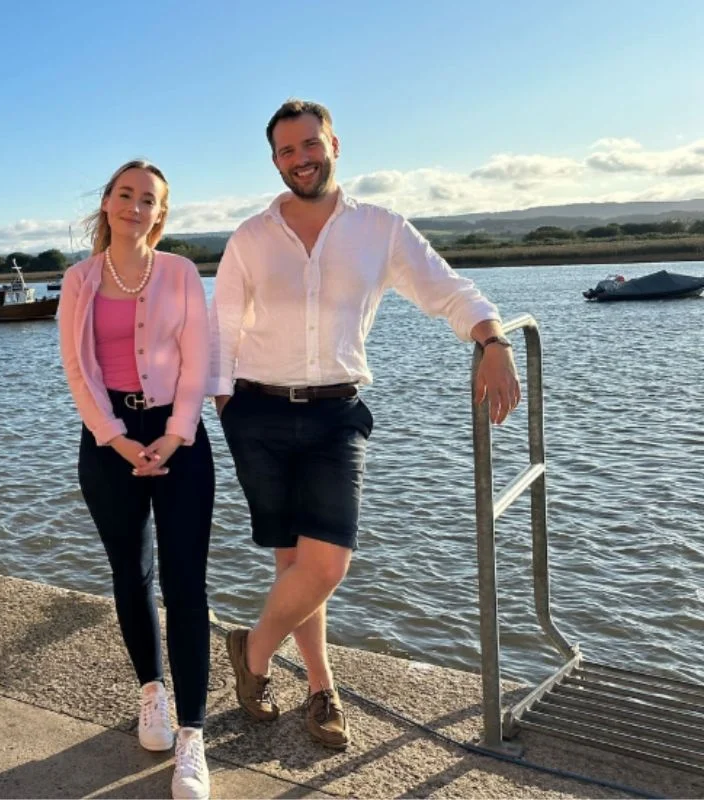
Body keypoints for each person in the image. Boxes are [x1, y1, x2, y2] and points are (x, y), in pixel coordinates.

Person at [210, 100, 521, 751]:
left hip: (335, 415)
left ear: (334, 145)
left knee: (326, 564)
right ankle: (322, 688)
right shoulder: (250, 237)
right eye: (287, 151)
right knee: (294, 563)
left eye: (310, 144)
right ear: (275, 161)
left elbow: (447, 289)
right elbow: (223, 329)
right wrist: (225, 405)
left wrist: (493, 340)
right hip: (258, 413)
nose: (301, 159)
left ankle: (252, 651)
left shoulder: (380, 228)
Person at [59, 159, 214, 799]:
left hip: (180, 439)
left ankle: (192, 734)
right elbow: (77, 367)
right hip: (108, 442)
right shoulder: (80, 279)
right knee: (132, 573)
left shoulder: (180, 272)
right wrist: (117, 438)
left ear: (160, 214)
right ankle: (152, 693)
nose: (134, 206)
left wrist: (174, 433)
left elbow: (198, 361)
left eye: (147, 199)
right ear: (107, 203)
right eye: (125, 195)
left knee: (186, 583)